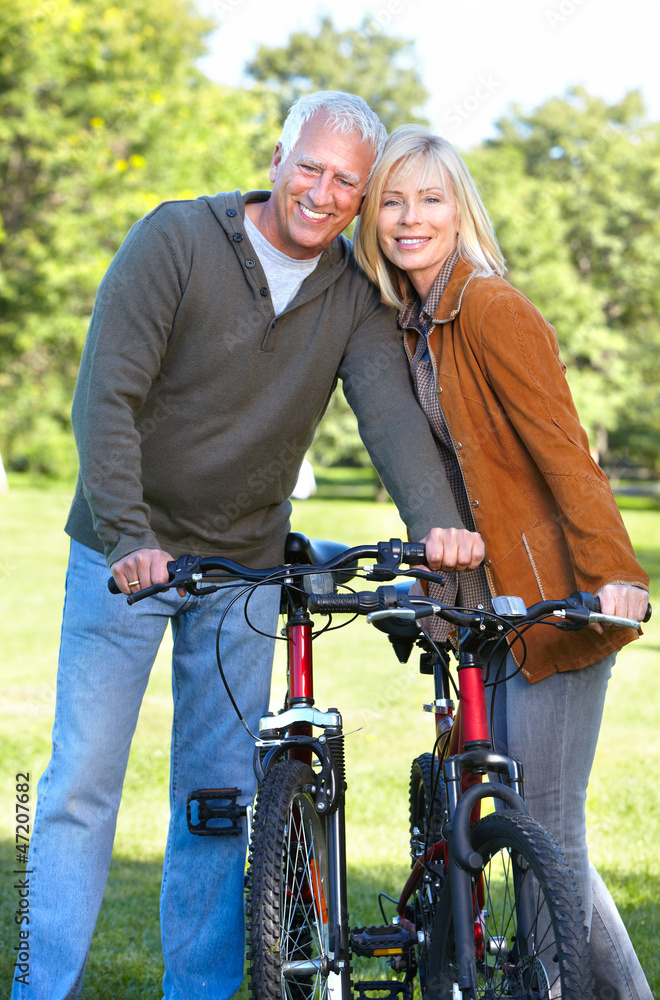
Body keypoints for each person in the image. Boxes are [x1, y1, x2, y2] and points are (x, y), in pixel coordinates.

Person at [15, 96, 486, 1000]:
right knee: (78, 787)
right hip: (128, 557)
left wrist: (439, 533)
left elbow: (389, 422)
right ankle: (42, 987)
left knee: (218, 799)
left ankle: (200, 990)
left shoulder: (350, 293)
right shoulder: (177, 242)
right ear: (278, 156)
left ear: (361, 197)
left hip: (244, 568)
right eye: (309, 167)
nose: (321, 192)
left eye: (347, 181)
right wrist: (127, 536)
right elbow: (105, 397)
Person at [355, 125, 652, 999]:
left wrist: (615, 573)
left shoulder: (487, 305)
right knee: (540, 837)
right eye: (392, 202)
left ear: (461, 211)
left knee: (545, 835)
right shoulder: (413, 320)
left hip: (551, 605)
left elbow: (563, 451)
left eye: (430, 199)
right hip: (490, 607)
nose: (409, 218)